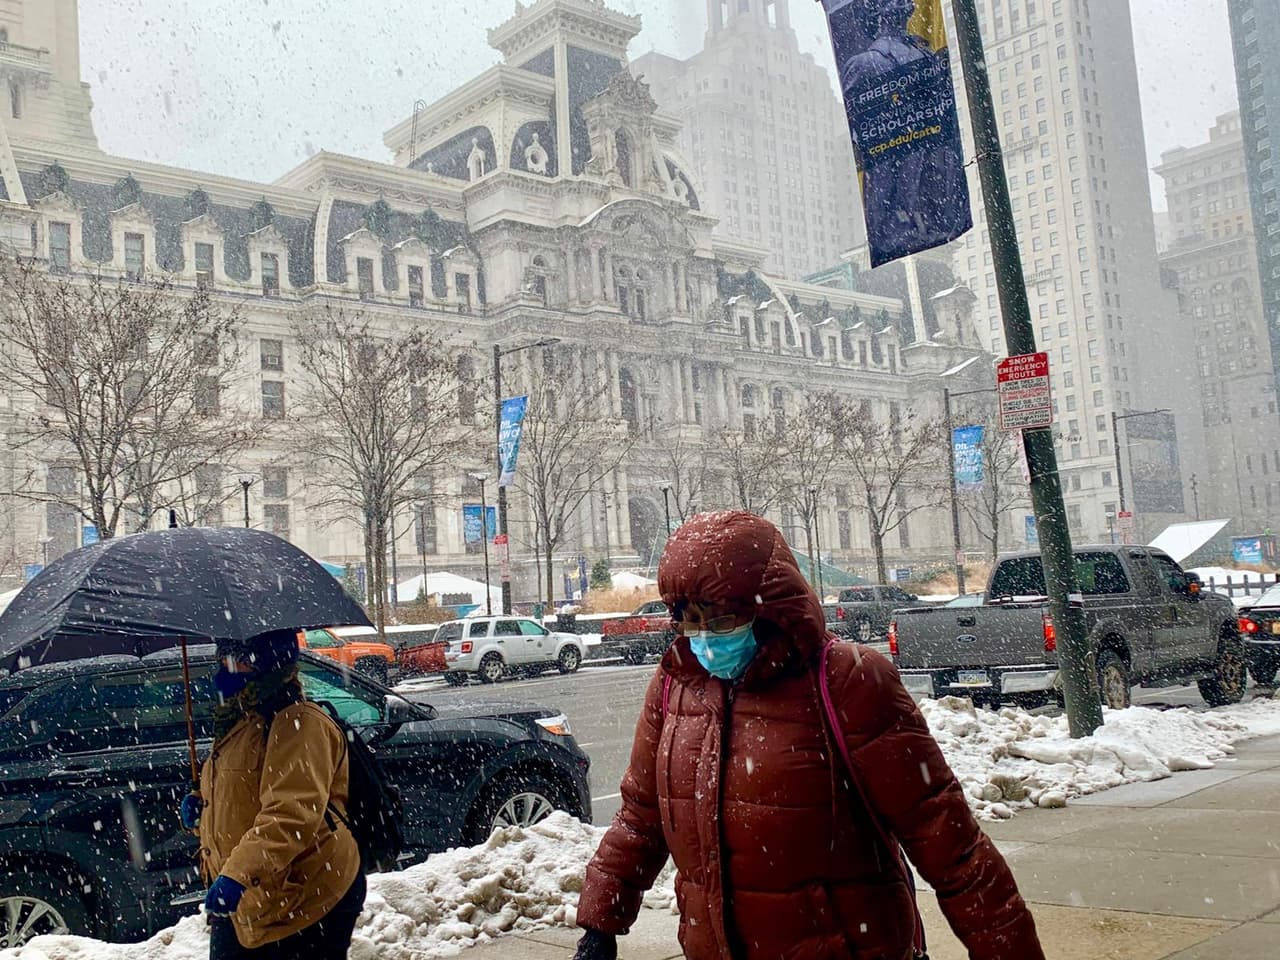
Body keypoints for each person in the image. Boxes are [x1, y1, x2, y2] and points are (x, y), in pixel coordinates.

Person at [573, 511, 1045, 960]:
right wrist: (601, 922)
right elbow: (642, 815)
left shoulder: (848, 680)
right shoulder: (676, 683)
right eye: (689, 621)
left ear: (768, 607)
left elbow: (945, 838)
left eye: (721, 620)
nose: (704, 639)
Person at [179, 629, 366, 960]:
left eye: (235, 660)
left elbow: (290, 816)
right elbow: (243, 794)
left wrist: (236, 876)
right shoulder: (242, 722)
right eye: (222, 659)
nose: (224, 669)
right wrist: (202, 806)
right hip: (257, 893)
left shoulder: (300, 723)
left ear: (267, 663)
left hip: (307, 894)